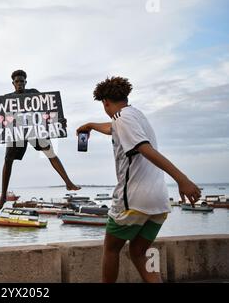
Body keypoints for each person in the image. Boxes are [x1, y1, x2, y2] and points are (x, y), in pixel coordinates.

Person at [76, 76, 201, 283]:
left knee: (111, 248)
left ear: (105, 102)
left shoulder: (122, 119)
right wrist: (90, 125)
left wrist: (182, 179)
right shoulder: (135, 115)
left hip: (134, 199)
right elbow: (112, 128)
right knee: (138, 251)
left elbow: (144, 148)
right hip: (159, 201)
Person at [0, 69, 80, 211]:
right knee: (8, 159)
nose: (20, 83)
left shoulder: (33, 93)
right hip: (17, 131)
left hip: (35, 129)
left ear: (25, 82)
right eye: (17, 81)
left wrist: (60, 120)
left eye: (22, 81)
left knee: (50, 153)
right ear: (13, 83)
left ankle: (68, 182)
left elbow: (48, 109)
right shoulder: (7, 98)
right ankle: (3, 196)